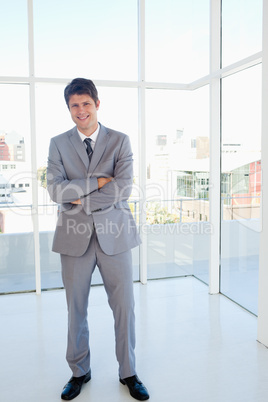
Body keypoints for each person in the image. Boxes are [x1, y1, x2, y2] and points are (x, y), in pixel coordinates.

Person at [47, 78, 149, 401]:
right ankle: (79, 371)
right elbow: (55, 190)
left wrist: (79, 196)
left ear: (97, 104)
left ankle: (128, 372)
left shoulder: (120, 141)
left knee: (124, 306)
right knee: (75, 308)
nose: (81, 111)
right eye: (74, 105)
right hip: (73, 239)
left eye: (86, 104)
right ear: (69, 109)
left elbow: (123, 188)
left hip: (114, 235)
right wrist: (97, 181)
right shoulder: (58, 144)